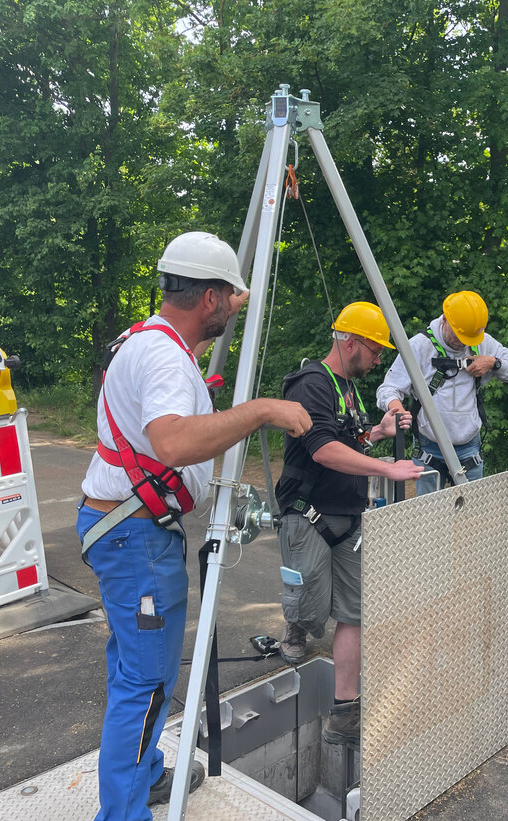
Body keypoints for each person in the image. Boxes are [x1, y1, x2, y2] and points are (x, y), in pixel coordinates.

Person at [76, 231, 314, 820]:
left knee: (135, 665)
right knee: (148, 680)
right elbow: (174, 441)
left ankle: (146, 773)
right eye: (228, 298)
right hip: (134, 537)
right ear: (208, 298)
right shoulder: (162, 356)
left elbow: (163, 423)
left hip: (126, 528)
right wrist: (261, 409)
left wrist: (241, 288)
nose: (233, 308)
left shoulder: (148, 339)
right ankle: (124, 813)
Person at [273, 301, 424, 745]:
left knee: (355, 612)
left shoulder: (348, 388)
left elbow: (346, 440)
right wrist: (388, 469)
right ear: (352, 342)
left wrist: (375, 434)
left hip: (349, 517)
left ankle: (344, 712)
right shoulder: (311, 384)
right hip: (309, 514)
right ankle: (296, 623)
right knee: (310, 607)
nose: (379, 360)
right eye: (376, 351)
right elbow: (321, 449)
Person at [377, 290, 508, 495]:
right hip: (430, 448)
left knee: (471, 516)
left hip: (469, 447)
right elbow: (388, 388)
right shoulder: (419, 346)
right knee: (429, 515)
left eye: (470, 338)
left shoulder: (481, 342)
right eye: (460, 336)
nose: (464, 342)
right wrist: (396, 408)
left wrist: (493, 363)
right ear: (445, 320)